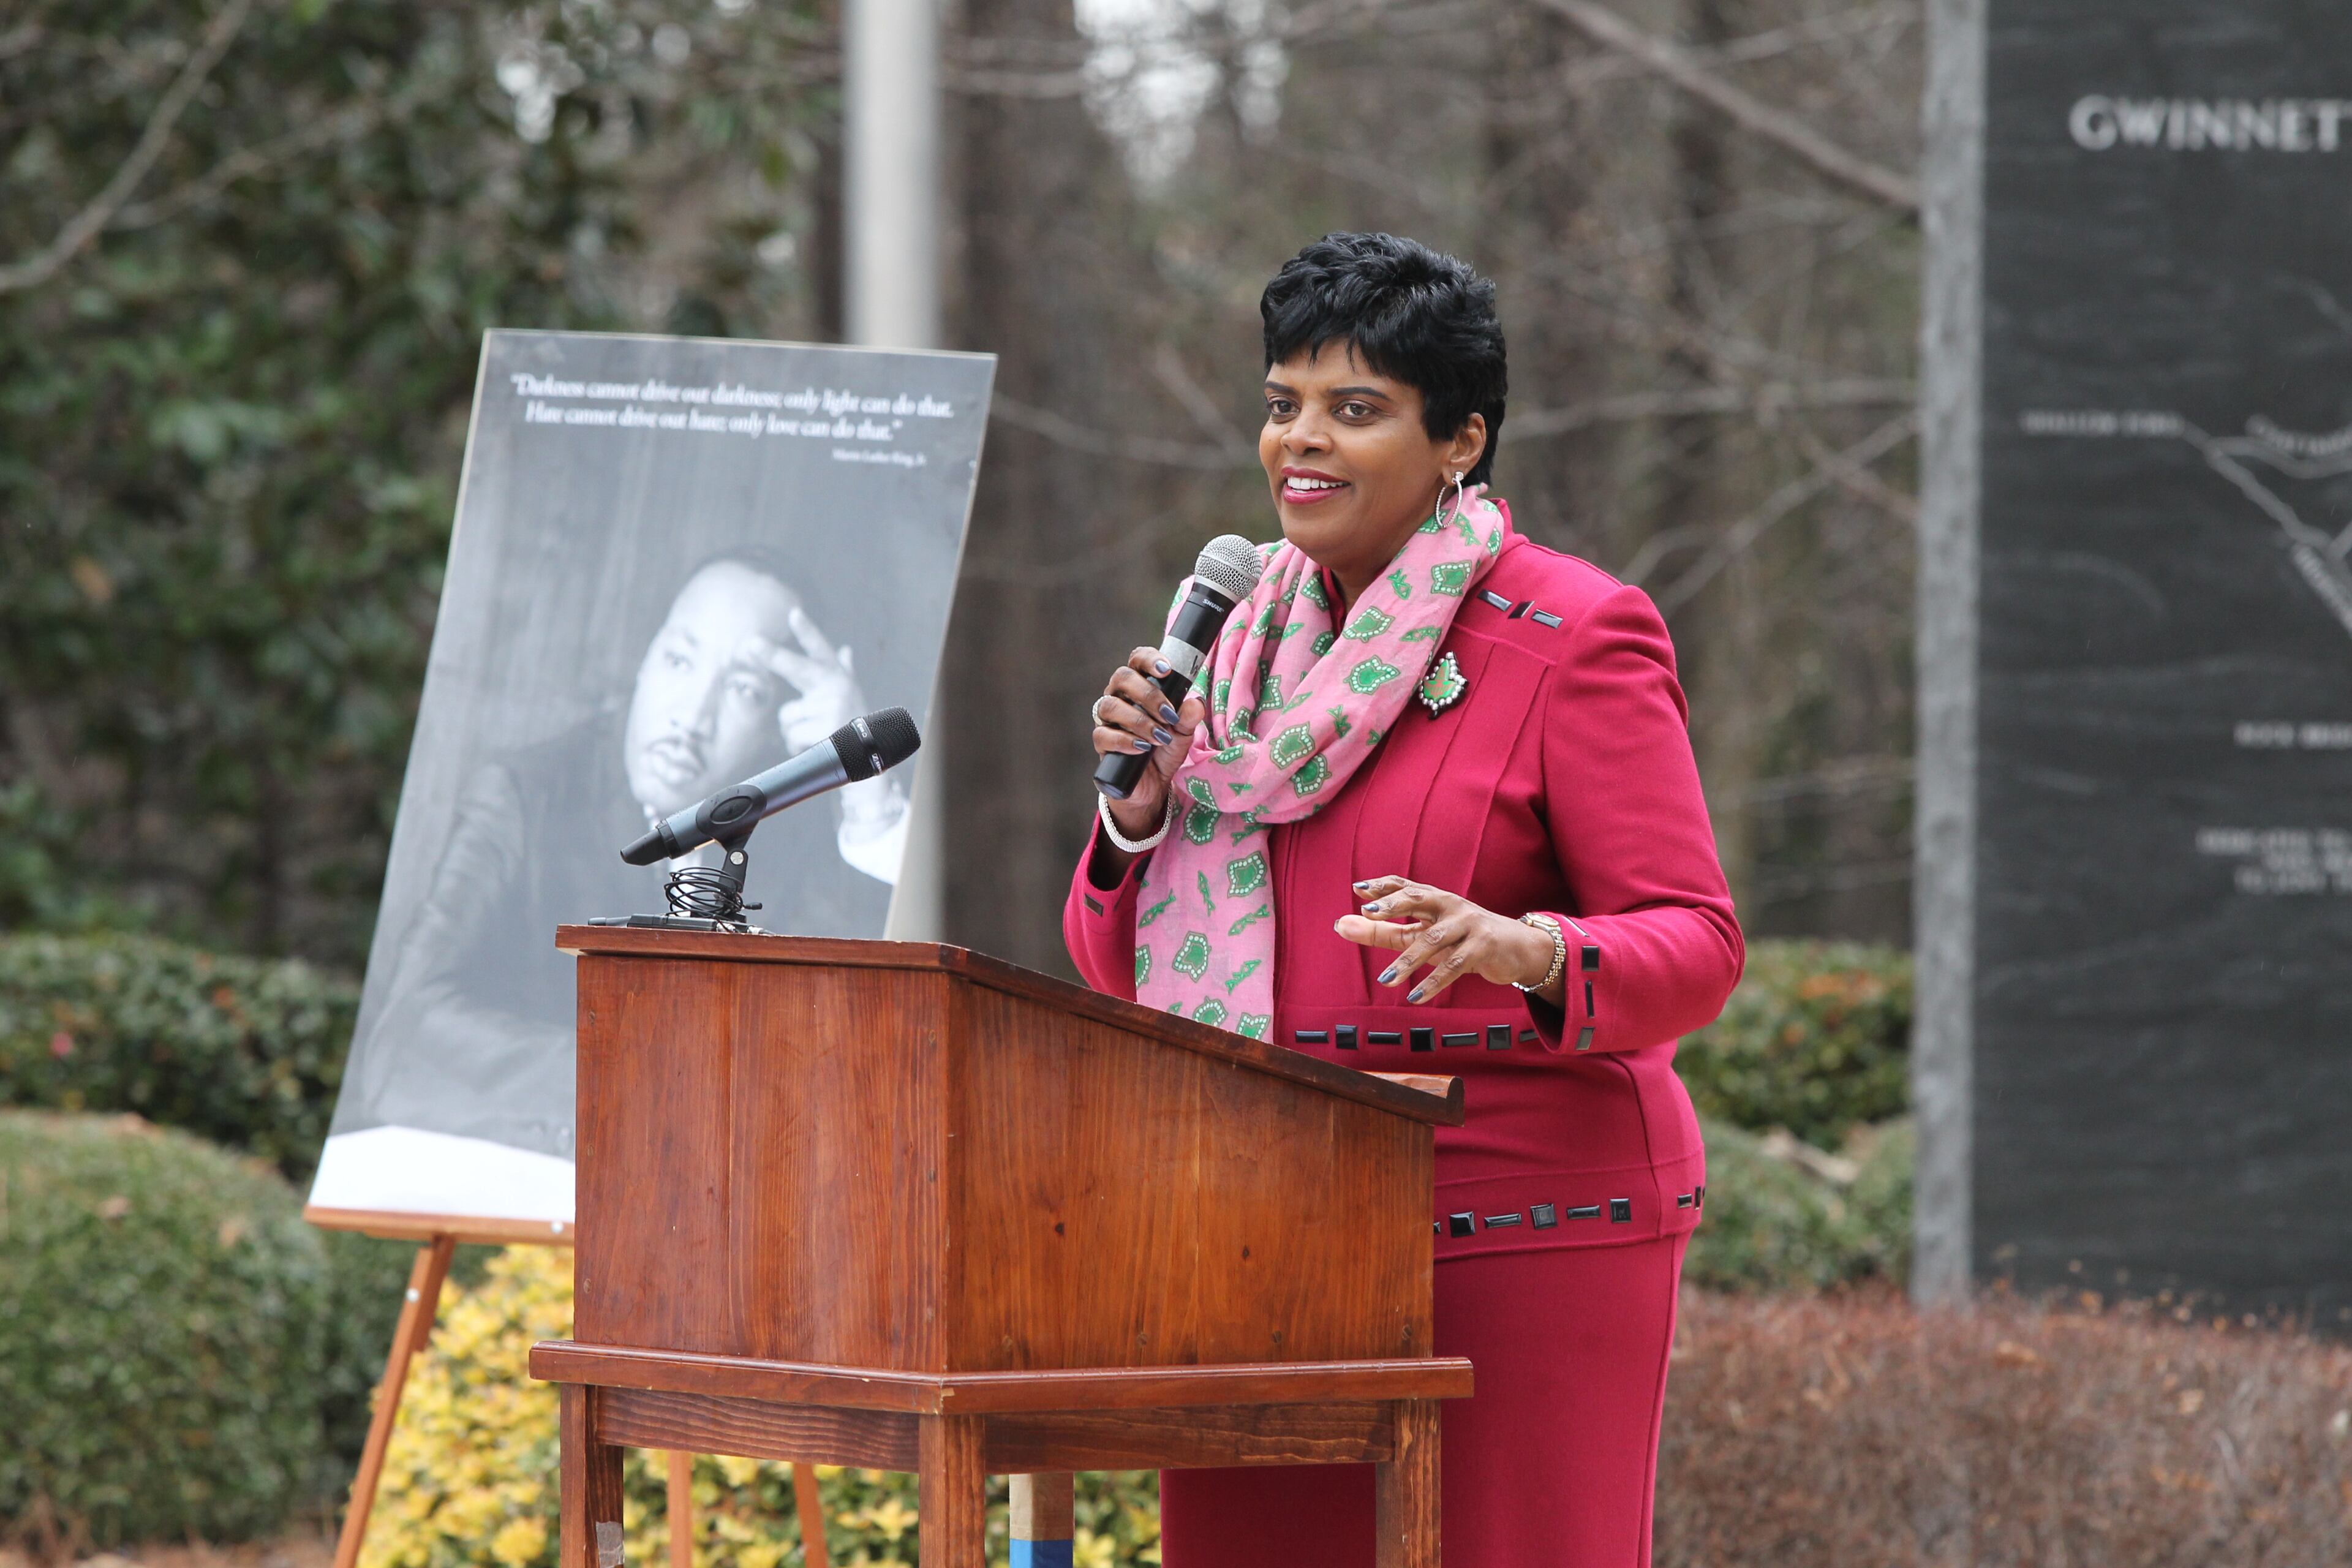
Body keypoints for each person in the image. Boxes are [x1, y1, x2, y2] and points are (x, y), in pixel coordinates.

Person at [1063, 233, 1743, 1568]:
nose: (1299, 443)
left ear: (1460, 440)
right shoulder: (1236, 647)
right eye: (1282, 404)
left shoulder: (1574, 635)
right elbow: (1118, 969)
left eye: (1354, 409)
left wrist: (1527, 945)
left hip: (1518, 1234)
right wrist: (1137, 809)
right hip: (1263, 1228)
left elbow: (1700, 946)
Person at [344, 555, 907, 1160]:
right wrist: (641, 1073)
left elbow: (869, 1047)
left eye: (744, 690)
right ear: (643, 661)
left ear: (779, 728)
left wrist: (869, 800)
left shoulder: (804, 838)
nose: (691, 717)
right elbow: (401, 1033)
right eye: (680, 661)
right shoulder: (525, 796)